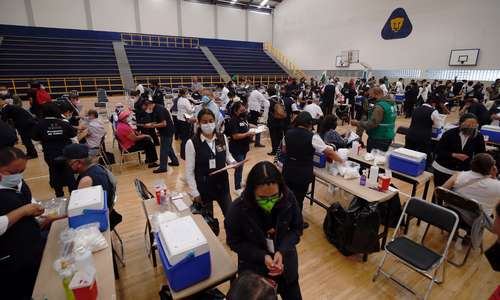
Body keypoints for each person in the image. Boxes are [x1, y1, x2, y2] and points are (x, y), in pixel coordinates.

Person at [225, 161, 303, 300]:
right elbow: (234, 242)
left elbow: (296, 229)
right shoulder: (237, 210)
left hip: (286, 267)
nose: (269, 202)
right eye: (262, 198)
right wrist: (262, 256)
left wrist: (282, 250)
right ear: (251, 191)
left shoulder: (288, 197)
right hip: (255, 275)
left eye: (274, 196)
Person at [282, 112, 344, 229]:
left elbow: (284, 150)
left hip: (288, 169)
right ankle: (296, 223)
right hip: (302, 172)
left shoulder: (288, 133)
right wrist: (342, 161)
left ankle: (286, 219)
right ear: (309, 124)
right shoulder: (312, 137)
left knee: (288, 196)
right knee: (298, 199)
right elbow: (329, 152)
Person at [0, 147, 46, 299]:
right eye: (12, 173)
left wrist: (36, 209)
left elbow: (28, 200)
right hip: (11, 259)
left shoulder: (18, 182)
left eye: (21, 171)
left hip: (31, 246)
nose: (17, 176)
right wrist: (23, 211)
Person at [185, 108, 236, 219]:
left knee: (231, 216)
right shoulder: (192, 143)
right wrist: (194, 192)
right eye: (205, 122)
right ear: (198, 123)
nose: (208, 124)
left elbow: (227, 156)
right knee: (208, 222)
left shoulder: (222, 137)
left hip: (222, 185)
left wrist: (233, 162)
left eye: (211, 121)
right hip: (204, 187)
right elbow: (189, 171)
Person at [62, 144, 122, 230]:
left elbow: (77, 212)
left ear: (78, 163)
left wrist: (52, 219)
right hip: (106, 213)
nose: (66, 165)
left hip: (95, 222)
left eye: (68, 162)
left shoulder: (86, 180)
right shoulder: (99, 168)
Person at [33, 103, 77, 197]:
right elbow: (74, 139)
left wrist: (42, 148)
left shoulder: (39, 124)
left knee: (54, 174)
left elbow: (34, 140)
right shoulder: (64, 123)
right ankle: (73, 195)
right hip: (66, 154)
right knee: (69, 174)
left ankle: (59, 195)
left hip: (50, 154)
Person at [432, 113, 486, 189]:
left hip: (463, 173)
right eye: (468, 125)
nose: (470, 128)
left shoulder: (478, 137)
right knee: (439, 193)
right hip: (443, 169)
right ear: (460, 124)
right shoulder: (450, 134)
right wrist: (454, 155)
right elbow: (438, 150)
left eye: (473, 126)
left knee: (455, 196)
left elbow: (481, 154)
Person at [442, 153, 500, 224]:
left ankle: (453, 230)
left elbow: (441, 191)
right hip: (475, 221)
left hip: (451, 213)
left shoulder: (458, 175)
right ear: (492, 168)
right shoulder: (497, 186)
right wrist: (494, 177)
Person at [351, 87, 397, 152]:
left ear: (376, 94)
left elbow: (372, 124)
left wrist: (357, 123)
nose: (369, 97)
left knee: (372, 157)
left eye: (370, 95)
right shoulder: (391, 104)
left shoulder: (379, 107)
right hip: (388, 135)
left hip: (378, 137)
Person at [143, 99, 179, 173]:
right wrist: (150, 124)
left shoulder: (159, 109)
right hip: (166, 130)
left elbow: (163, 123)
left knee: (163, 150)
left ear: (149, 104)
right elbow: (158, 121)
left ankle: (163, 167)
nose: (147, 110)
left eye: (146, 108)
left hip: (167, 131)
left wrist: (152, 126)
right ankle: (175, 161)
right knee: (168, 147)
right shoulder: (155, 108)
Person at [226, 102, 255, 193]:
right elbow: (235, 136)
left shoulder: (243, 118)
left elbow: (246, 125)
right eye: (242, 110)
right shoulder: (233, 120)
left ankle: (239, 182)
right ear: (235, 111)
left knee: (241, 167)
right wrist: (247, 134)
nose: (244, 111)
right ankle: (237, 188)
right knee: (239, 168)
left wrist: (256, 127)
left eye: (244, 109)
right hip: (237, 148)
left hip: (244, 147)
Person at [405, 98, 443, 165]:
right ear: (433, 104)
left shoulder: (416, 109)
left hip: (410, 134)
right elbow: (438, 126)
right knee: (424, 156)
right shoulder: (433, 111)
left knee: (408, 155)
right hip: (423, 137)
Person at [267, 87, 287, 156]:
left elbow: (267, 112)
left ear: (268, 93)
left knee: (273, 137)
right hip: (281, 120)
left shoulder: (268, 100)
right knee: (280, 136)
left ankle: (274, 151)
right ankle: (281, 150)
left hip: (272, 121)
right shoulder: (280, 100)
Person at [176, 88, 194, 160]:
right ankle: (185, 154)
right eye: (187, 93)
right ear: (184, 93)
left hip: (180, 119)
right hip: (185, 120)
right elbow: (190, 111)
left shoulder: (179, 99)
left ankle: (183, 154)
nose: (188, 94)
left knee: (183, 138)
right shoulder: (185, 100)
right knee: (186, 138)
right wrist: (194, 107)